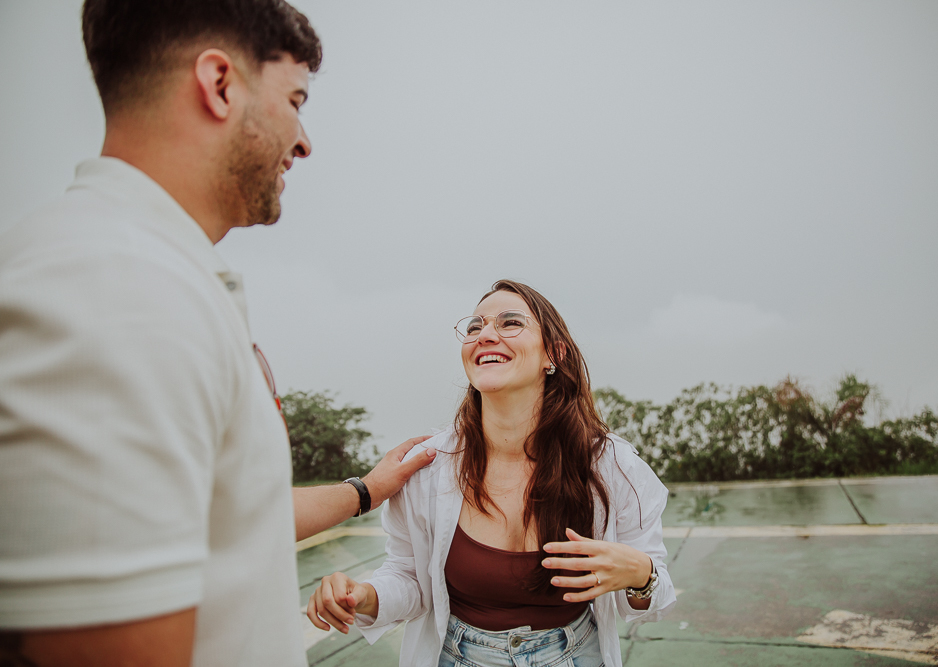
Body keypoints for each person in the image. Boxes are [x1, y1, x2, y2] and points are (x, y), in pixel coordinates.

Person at [0, 2, 434, 666]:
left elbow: (231, 515)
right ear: (220, 83)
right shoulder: (121, 292)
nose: (304, 142)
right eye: (295, 101)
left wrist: (366, 490)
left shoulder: (145, 273)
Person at [306, 280, 677, 667]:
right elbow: (410, 577)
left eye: (510, 322)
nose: (485, 335)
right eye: (474, 326)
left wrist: (641, 574)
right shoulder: (427, 465)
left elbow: (655, 599)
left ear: (554, 353)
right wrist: (365, 595)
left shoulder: (611, 464)